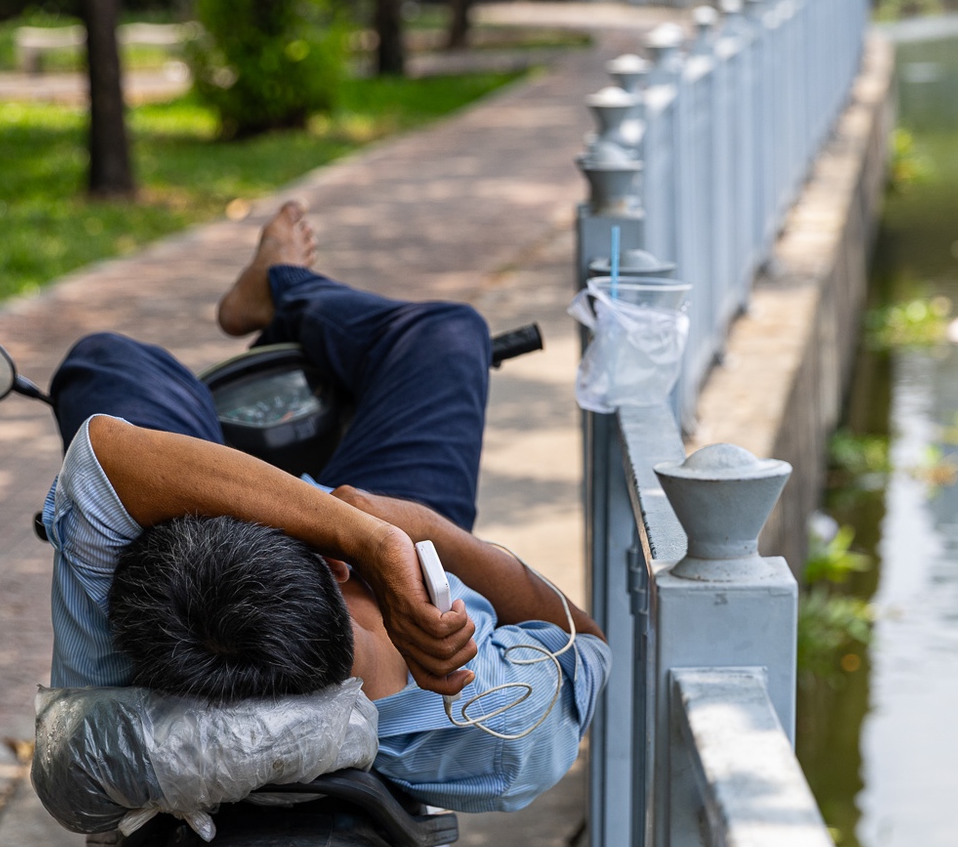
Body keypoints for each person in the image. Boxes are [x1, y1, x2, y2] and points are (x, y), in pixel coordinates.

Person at [39, 200, 607, 813]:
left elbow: (106, 452)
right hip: (392, 515)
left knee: (106, 358)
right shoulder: (494, 717)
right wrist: (399, 528)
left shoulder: (116, 678)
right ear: (333, 563)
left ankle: (270, 301)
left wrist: (363, 538)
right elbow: (589, 642)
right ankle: (289, 287)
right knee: (445, 330)